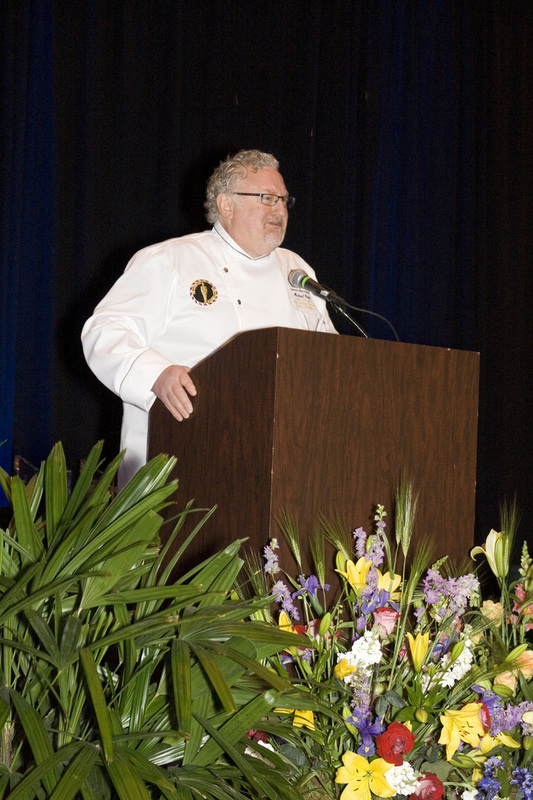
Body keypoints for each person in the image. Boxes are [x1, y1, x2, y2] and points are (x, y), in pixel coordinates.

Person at [81, 149, 337, 486]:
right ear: (226, 205)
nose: (279, 210)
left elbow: (329, 355)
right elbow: (104, 330)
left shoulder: (297, 270)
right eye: (267, 198)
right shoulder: (171, 260)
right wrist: (156, 375)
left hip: (284, 459)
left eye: (284, 200)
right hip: (181, 453)